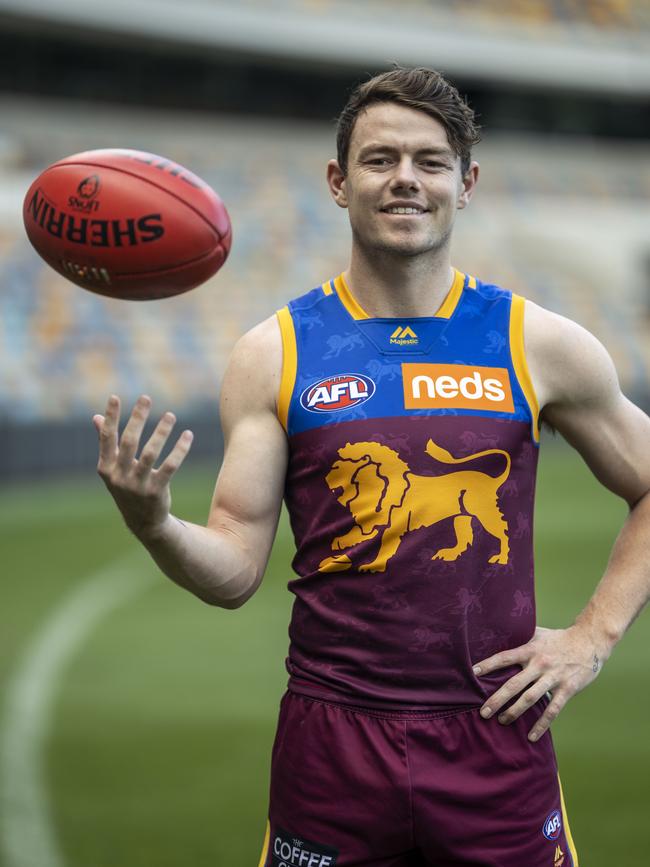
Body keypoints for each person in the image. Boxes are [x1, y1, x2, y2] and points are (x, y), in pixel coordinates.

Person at [93, 67, 650, 867]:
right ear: (337, 180)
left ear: (468, 182)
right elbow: (235, 567)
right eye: (379, 158)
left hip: (496, 733)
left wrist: (593, 637)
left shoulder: (538, 344)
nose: (405, 180)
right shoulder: (274, 352)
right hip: (332, 743)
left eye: (430, 160)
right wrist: (155, 525)